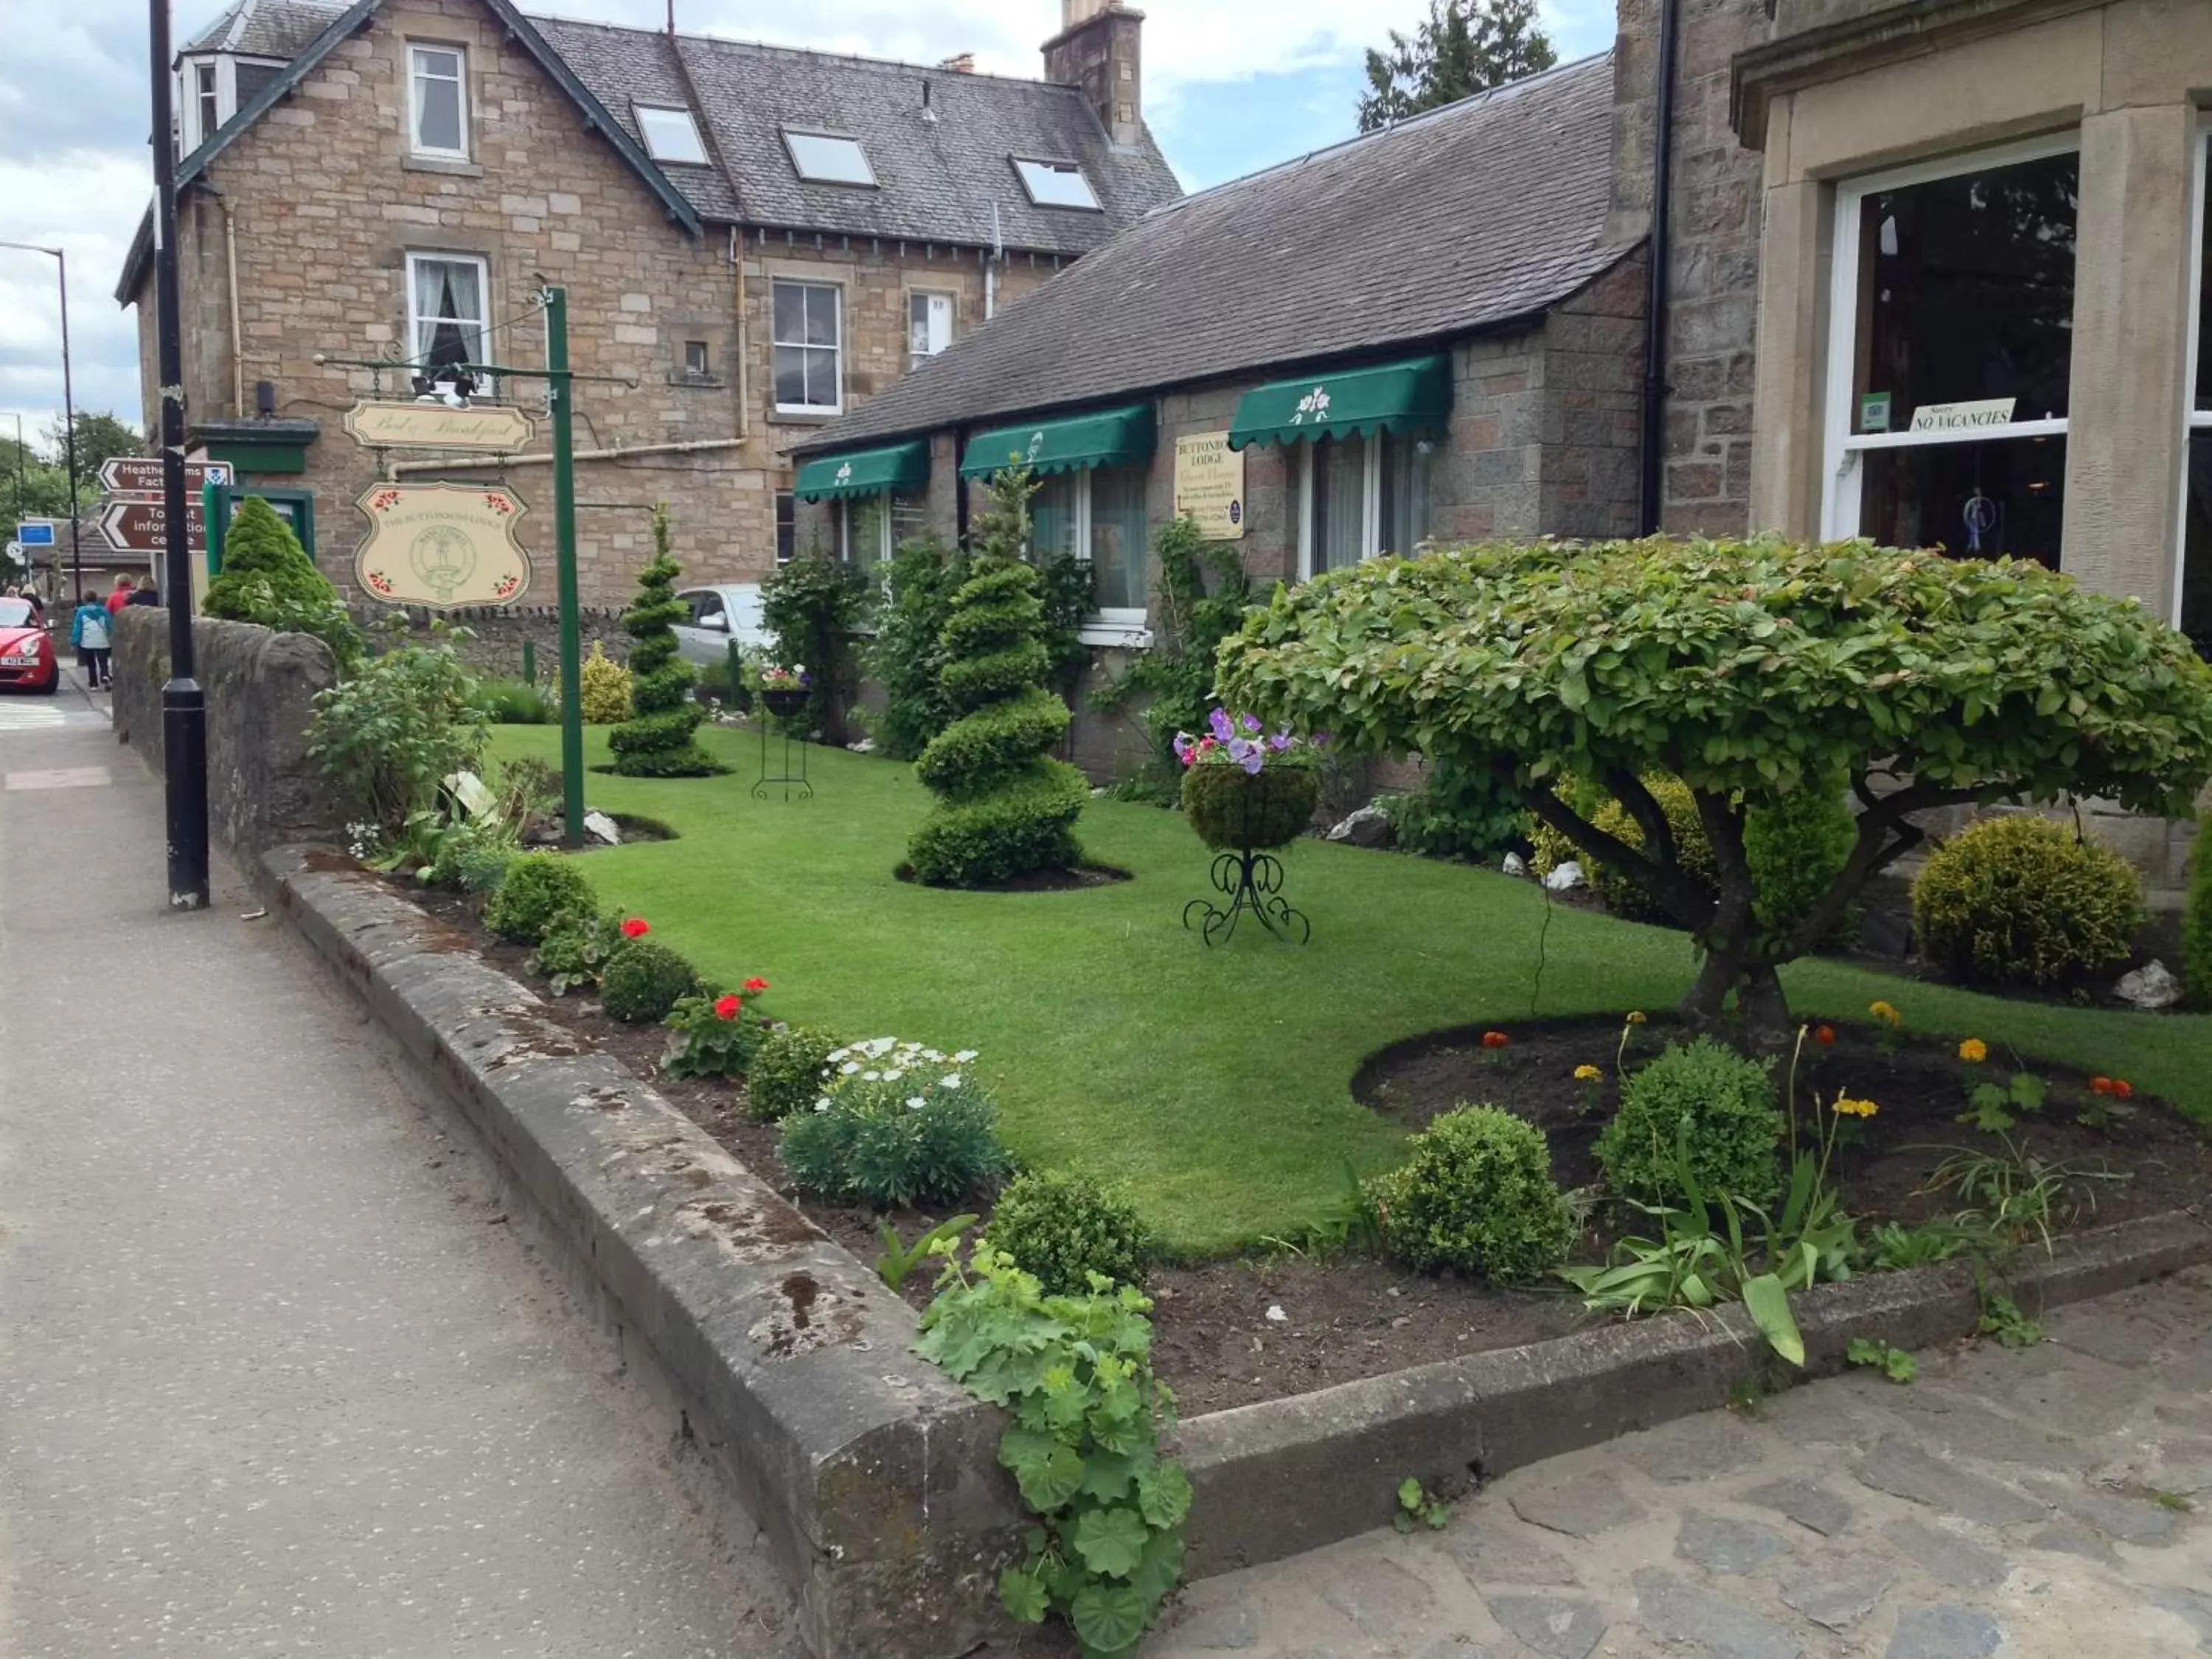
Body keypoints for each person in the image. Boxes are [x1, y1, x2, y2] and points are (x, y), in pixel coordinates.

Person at [70, 589, 113, 690]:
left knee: (91, 663)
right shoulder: (104, 610)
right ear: (96, 598)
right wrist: (111, 636)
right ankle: (105, 675)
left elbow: (78, 628)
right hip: (102, 640)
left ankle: (93, 684)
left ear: (85, 600)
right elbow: (109, 625)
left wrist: (74, 641)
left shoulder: (81, 611)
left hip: (87, 641)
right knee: (103, 661)